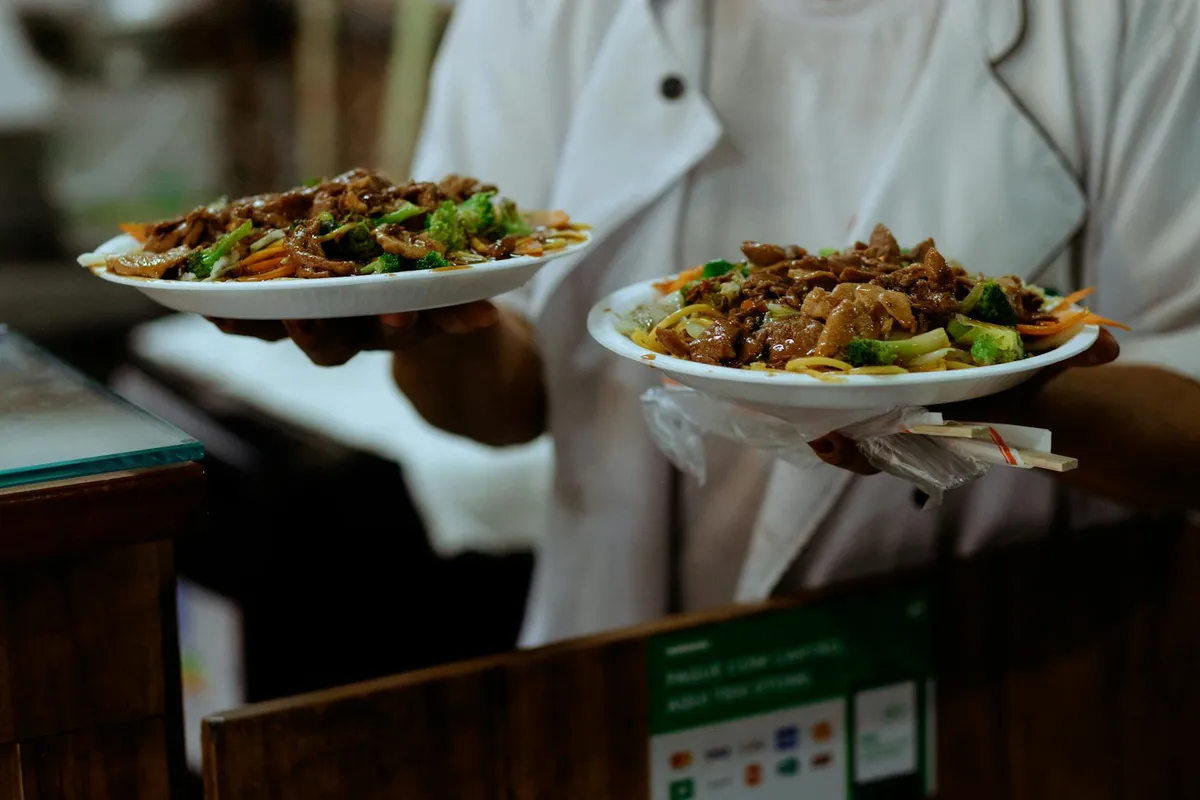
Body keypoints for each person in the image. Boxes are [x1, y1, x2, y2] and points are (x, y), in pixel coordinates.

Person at [213, 0, 1200, 647]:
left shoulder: (1134, 22)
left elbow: (1188, 429)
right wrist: (422, 320)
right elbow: (502, 405)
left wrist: (976, 390)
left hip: (1006, 672)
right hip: (627, 652)